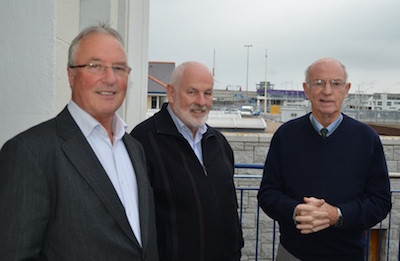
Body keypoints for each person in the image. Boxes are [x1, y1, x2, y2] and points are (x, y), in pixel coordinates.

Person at [0, 24, 158, 260]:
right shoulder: (30, 152)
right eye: (95, 66)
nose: (110, 78)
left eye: (119, 68)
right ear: (71, 75)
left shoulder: (134, 148)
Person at [258, 57, 392, 261]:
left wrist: (337, 215)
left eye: (335, 83)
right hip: (293, 254)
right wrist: (296, 212)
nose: (327, 91)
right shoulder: (285, 136)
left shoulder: (367, 139)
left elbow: (380, 202)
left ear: (346, 90)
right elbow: (267, 194)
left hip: (348, 255)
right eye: (318, 83)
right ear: (306, 89)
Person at [131, 61, 244, 260]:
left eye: (207, 93)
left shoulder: (219, 144)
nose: (201, 102)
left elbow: (230, 209)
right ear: (171, 92)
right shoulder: (143, 141)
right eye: (192, 92)